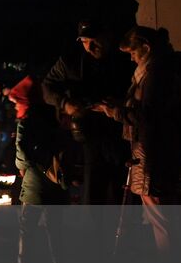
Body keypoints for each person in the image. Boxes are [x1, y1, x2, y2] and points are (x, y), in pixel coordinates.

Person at [102, 26, 181, 257]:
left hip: (155, 156)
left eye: (133, 53)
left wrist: (116, 112)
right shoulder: (172, 70)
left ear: (146, 47)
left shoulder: (157, 73)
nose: (132, 59)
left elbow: (149, 116)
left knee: (162, 220)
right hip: (168, 153)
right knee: (170, 217)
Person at [44, 21, 134, 204]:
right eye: (85, 42)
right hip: (89, 137)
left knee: (122, 195)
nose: (90, 47)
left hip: (121, 135)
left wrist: (121, 103)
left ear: (107, 37)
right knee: (93, 195)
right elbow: (47, 86)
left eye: (94, 41)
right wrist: (65, 103)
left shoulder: (125, 59)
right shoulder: (72, 61)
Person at [11, 76, 64, 263]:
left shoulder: (26, 121)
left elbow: (22, 150)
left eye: (17, 102)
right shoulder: (54, 117)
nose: (15, 107)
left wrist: (22, 167)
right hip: (55, 180)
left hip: (35, 181)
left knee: (27, 227)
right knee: (54, 228)